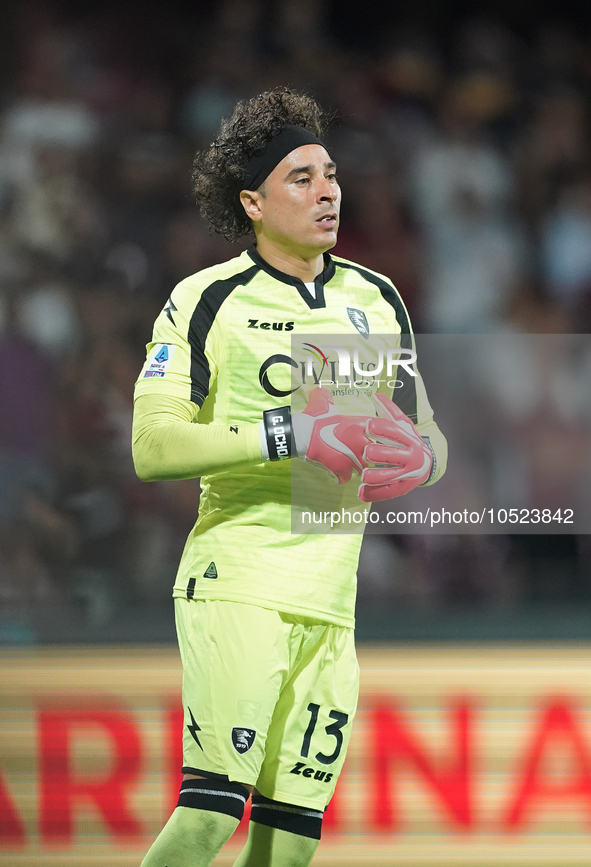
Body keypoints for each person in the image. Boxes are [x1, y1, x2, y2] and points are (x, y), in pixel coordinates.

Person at [132, 86, 447, 867]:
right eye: (300, 177)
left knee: (287, 845)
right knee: (209, 816)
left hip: (331, 601)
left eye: (331, 173)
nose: (328, 190)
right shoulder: (206, 301)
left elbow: (425, 429)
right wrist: (290, 430)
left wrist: (425, 458)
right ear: (254, 201)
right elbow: (154, 447)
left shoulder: (375, 298)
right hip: (239, 581)